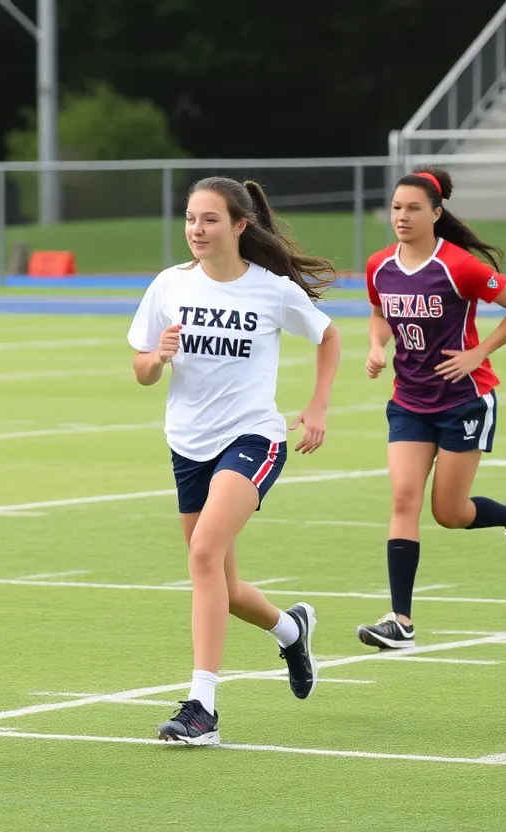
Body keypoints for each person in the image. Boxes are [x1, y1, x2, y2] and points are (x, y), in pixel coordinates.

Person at [127, 176, 341, 746]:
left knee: (202, 554)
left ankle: (203, 708)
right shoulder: (169, 285)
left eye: (210, 220)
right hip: (187, 444)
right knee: (223, 581)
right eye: (192, 219)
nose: (197, 229)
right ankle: (290, 629)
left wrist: (318, 405)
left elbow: (327, 336)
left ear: (240, 225)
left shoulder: (270, 289)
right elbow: (142, 370)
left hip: (253, 437)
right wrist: (157, 357)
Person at [357, 166, 506, 650]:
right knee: (403, 499)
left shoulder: (459, 266)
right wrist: (378, 347)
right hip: (409, 402)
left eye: (414, 208)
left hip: (464, 402)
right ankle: (401, 621)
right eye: (397, 207)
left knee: (450, 512)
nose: (402, 216)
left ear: (437, 214)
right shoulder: (379, 265)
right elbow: (379, 313)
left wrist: (480, 353)